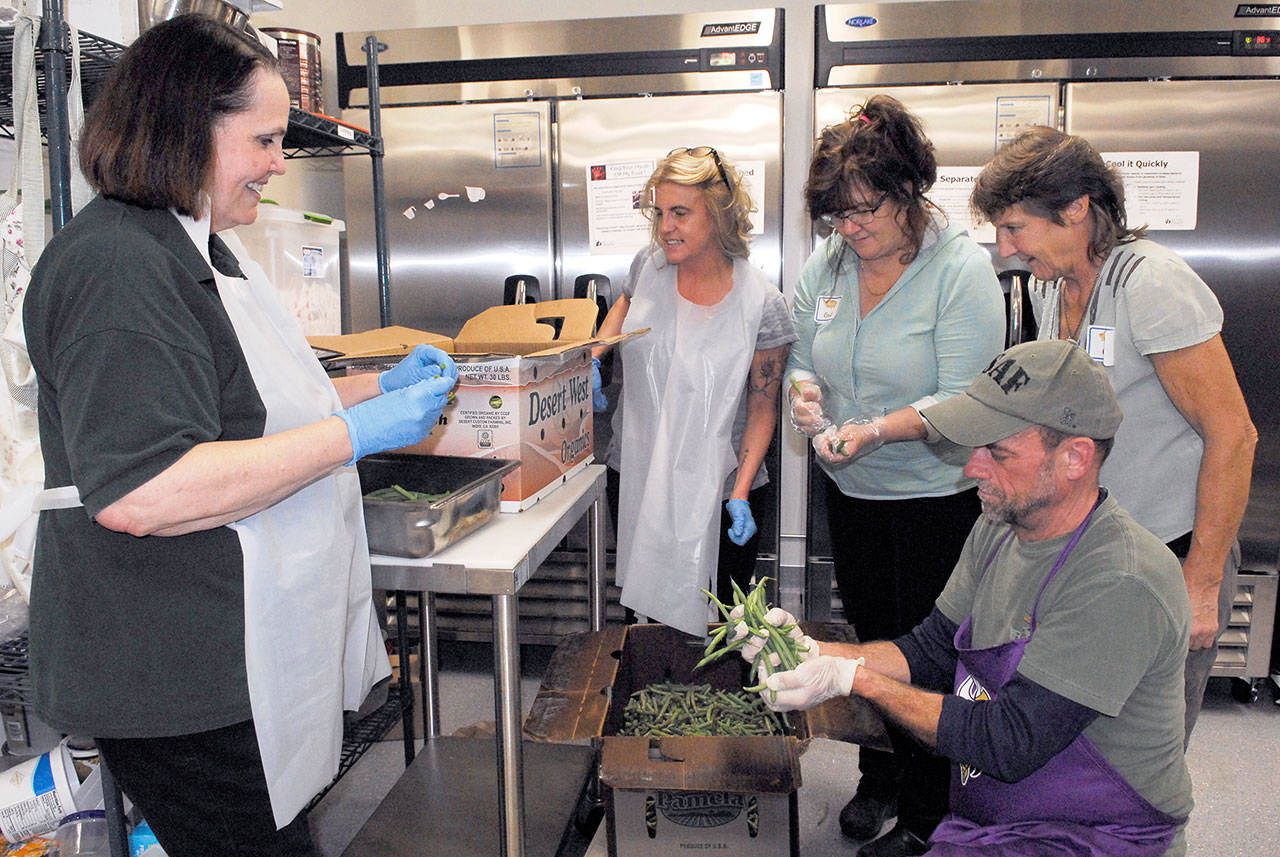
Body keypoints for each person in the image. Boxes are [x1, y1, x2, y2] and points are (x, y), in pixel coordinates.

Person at [22, 16, 457, 856]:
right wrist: (355, 431)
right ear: (188, 129)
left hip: (223, 645)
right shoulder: (116, 265)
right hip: (166, 664)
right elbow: (145, 491)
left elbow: (250, 401)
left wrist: (376, 386)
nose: (277, 162)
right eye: (261, 139)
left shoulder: (201, 249)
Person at [743, 340, 1194, 857]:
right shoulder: (997, 529)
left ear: (1075, 458)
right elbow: (931, 651)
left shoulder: (1119, 579)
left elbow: (1008, 742)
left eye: (997, 453)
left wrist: (857, 679)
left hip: (1095, 833)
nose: (971, 468)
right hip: (998, 813)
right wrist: (813, 652)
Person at [970, 127, 1257, 742]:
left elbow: (1234, 436)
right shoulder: (1055, 287)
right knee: (1073, 745)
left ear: (1076, 210)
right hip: (1092, 555)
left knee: (1138, 756)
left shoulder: (1151, 283)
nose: (1006, 247)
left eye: (1016, 227)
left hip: (1169, 554)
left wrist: (1201, 584)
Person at [784, 95, 1005, 855]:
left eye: (864, 212)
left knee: (927, 653)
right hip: (853, 491)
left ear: (909, 190)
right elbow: (804, 346)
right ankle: (877, 776)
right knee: (870, 638)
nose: (850, 230)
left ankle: (926, 812)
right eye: (837, 217)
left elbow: (966, 396)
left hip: (935, 499)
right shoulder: (833, 260)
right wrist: (805, 395)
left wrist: (874, 428)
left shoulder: (960, 271)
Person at [591, 146, 795, 635]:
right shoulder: (649, 267)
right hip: (637, 471)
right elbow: (621, 311)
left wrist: (741, 492)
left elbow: (763, 406)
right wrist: (591, 361)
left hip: (724, 489)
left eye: (680, 213)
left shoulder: (762, 304)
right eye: (659, 212)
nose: (666, 227)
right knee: (645, 618)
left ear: (719, 214)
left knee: (722, 627)